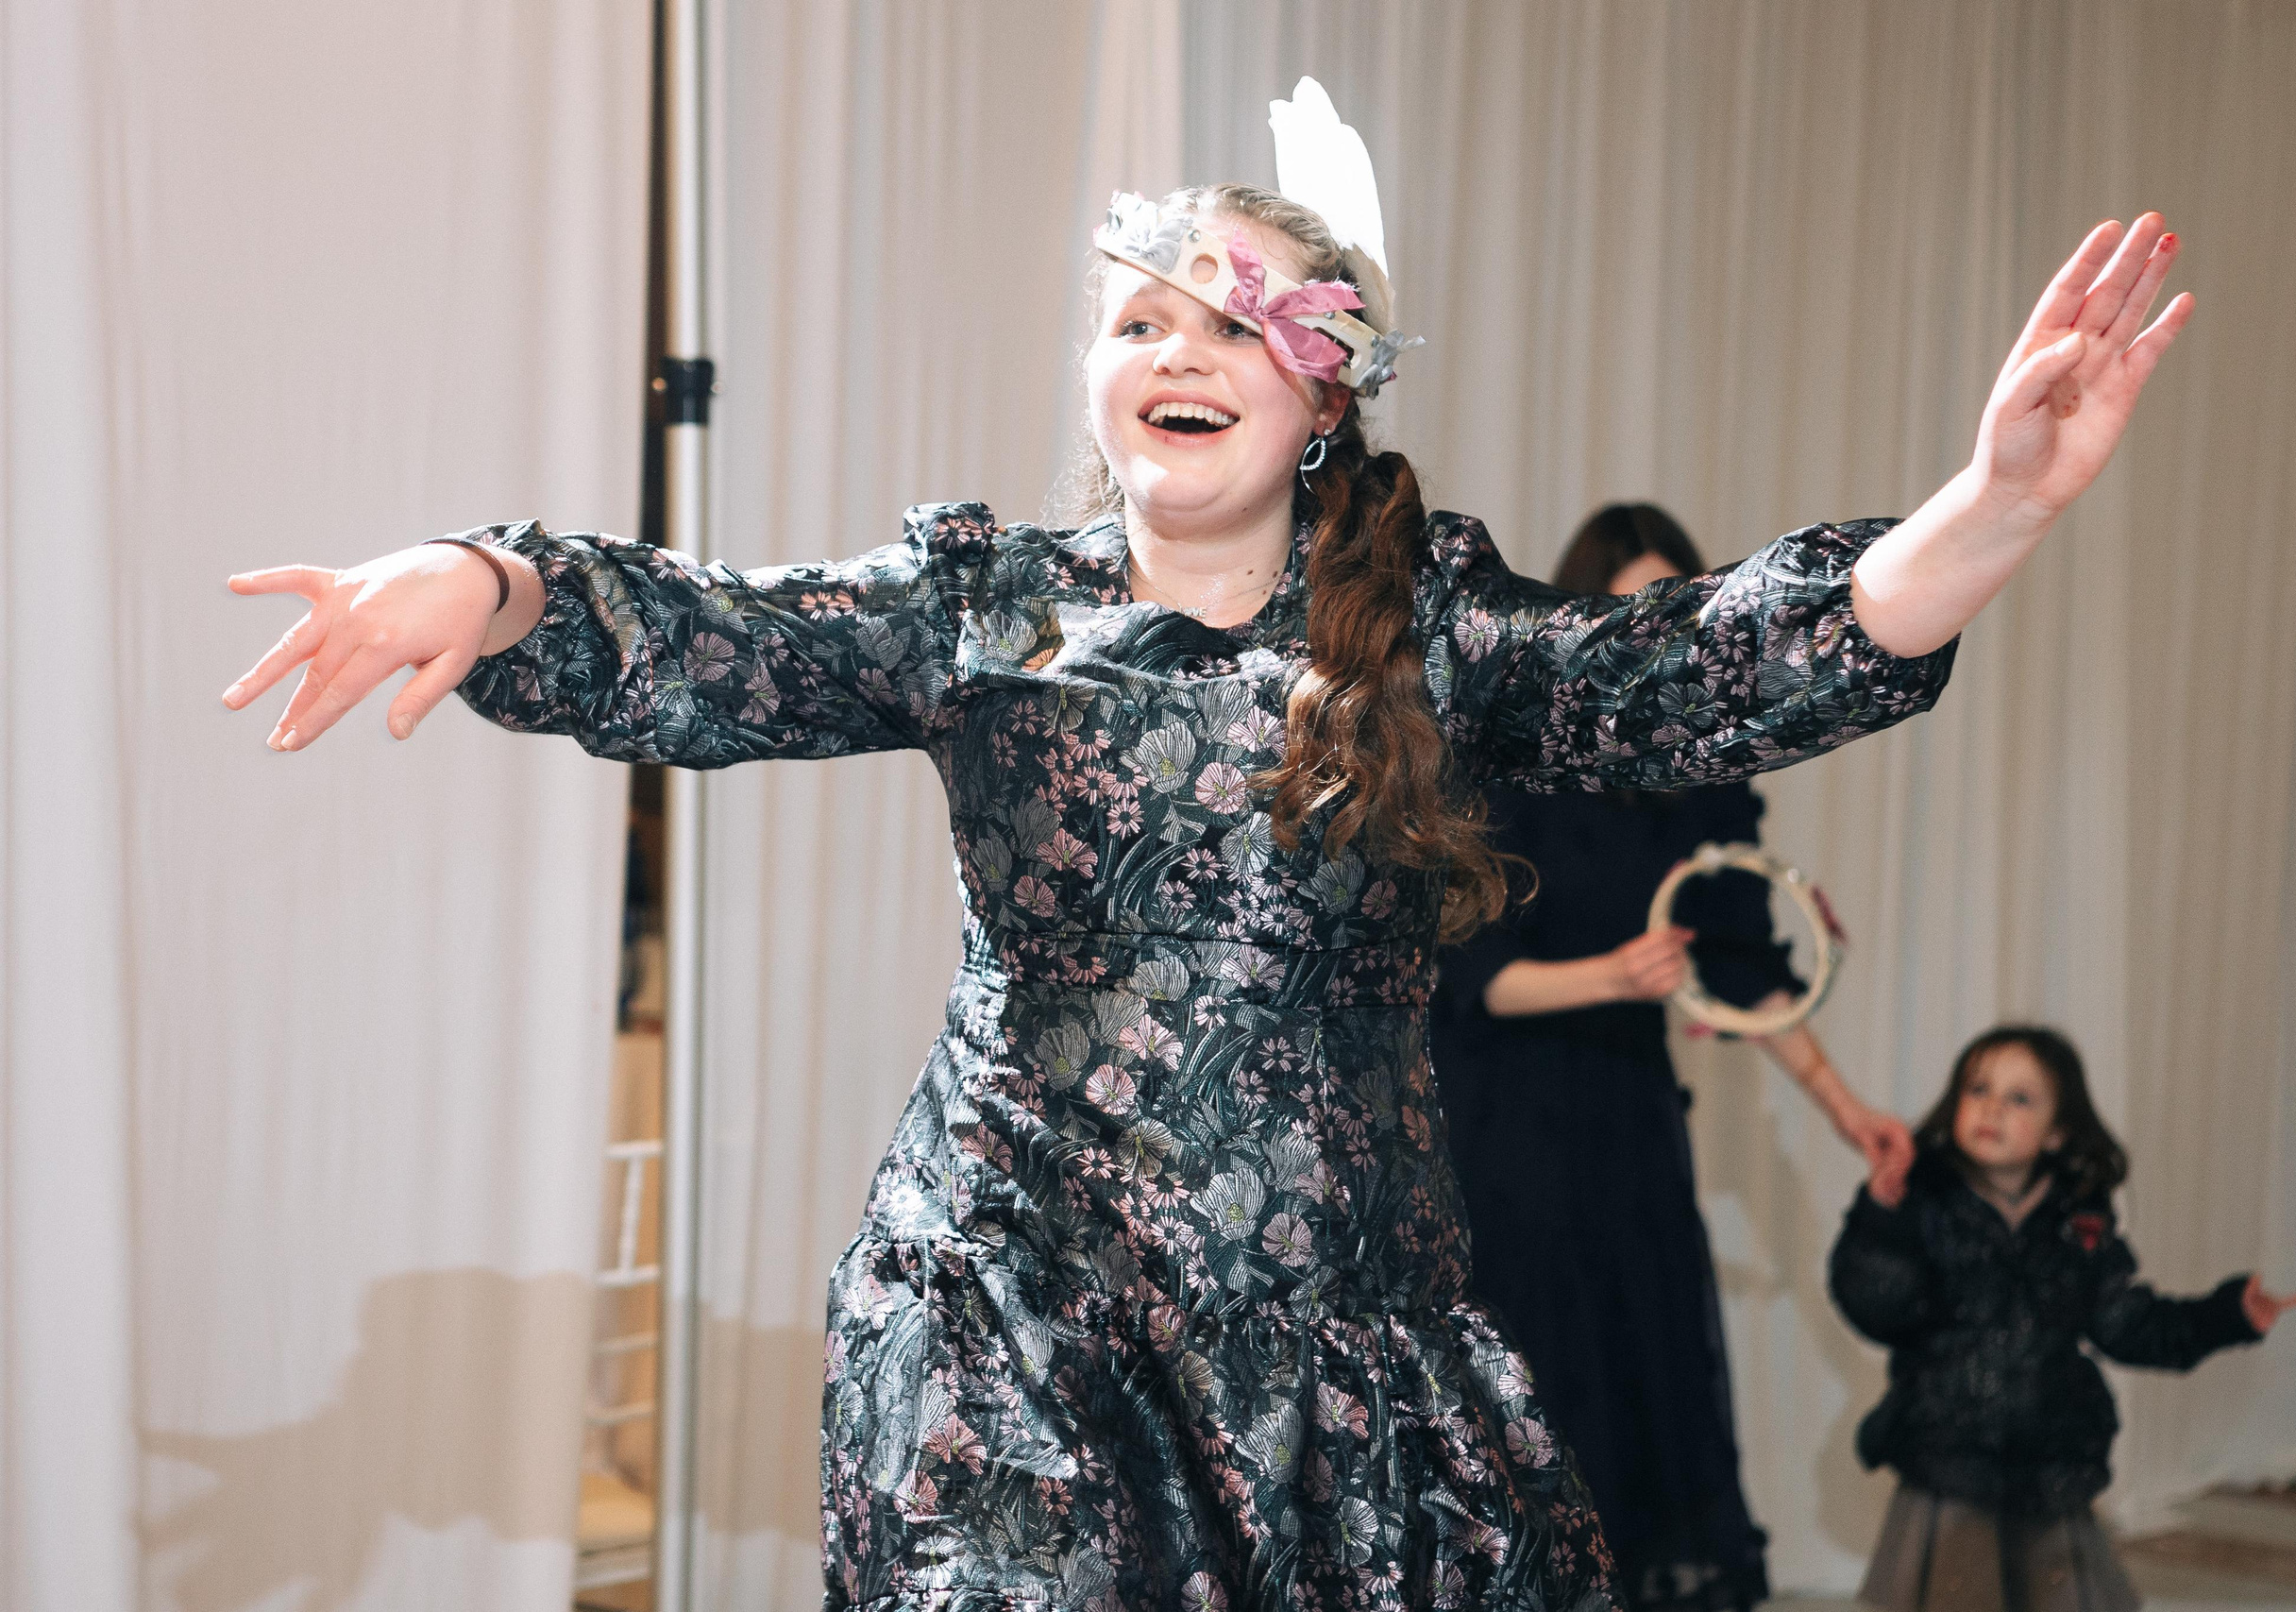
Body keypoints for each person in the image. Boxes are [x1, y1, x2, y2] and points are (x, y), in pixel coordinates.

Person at [221, 76, 2192, 1611]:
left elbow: (1699, 674)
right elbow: (732, 637)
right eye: (1141, 317)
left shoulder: (1428, 628)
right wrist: (492, 583)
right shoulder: (986, 604)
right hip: (1005, 1314)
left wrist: (1992, 508)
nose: (1175, 350)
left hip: (1333, 1343)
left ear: (1319, 391)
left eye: (1231, 327)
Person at [1431, 501, 1913, 1612]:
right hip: (1503, 1126)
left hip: (1628, 1119)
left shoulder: (1700, 781)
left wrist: (1849, 1112)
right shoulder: (1507, 754)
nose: (1648, 623)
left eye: (1672, 605)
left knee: (1646, 1383)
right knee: (1532, 1390)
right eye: (1628, 603)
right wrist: (1622, 974)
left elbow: (1742, 971)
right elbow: (1471, 977)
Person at [1828, 1027, 2296, 1612]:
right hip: (1950, 1455)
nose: (1992, 1109)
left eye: (2019, 1098)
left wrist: (2225, 1316)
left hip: (2049, 1459)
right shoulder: (1923, 1203)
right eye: (1978, 1089)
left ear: (2058, 1132)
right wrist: (1882, 1216)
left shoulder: (2080, 1221)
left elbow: (2124, 1323)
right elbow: (1876, 1306)